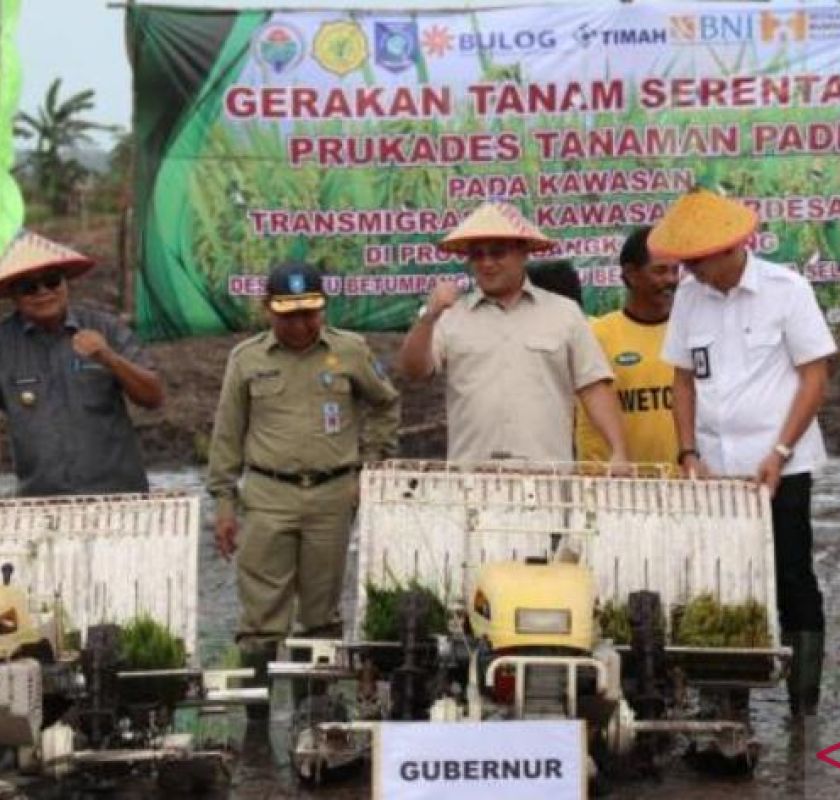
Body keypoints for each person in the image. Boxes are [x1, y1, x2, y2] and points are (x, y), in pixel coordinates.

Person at [652, 188, 836, 716]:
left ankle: (804, 703)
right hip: (715, 469)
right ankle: (725, 701)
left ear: (732, 248)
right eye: (684, 262)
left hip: (782, 465)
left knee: (792, 575)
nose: (690, 271)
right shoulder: (689, 297)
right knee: (719, 578)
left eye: (697, 260)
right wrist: (688, 452)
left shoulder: (787, 289)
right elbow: (682, 381)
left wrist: (779, 451)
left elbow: (814, 377)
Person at [207, 262, 400, 673]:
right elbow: (227, 434)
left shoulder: (349, 350)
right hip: (267, 495)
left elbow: (385, 403)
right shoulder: (246, 359)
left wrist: (371, 465)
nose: (300, 325)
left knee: (321, 613)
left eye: (309, 313)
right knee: (261, 615)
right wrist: (224, 503)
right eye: (288, 314)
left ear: (324, 309)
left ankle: (314, 716)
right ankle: (257, 724)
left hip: (332, 496)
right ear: (267, 310)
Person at [397, 202, 629, 466]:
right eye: (478, 255)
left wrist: (619, 450)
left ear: (523, 253)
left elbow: (593, 386)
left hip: (547, 478)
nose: (487, 263)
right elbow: (414, 372)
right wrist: (428, 316)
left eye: (497, 253)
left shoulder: (565, 313)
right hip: (470, 482)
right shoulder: (450, 317)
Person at [0, 230, 163, 496]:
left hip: (119, 495)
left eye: (52, 281)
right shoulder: (3, 344)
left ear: (66, 284)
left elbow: (153, 397)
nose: (43, 292)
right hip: (40, 501)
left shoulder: (106, 327)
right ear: (14, 297)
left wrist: (108, 358)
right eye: (29, 287)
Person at [575, 227, 680, 469]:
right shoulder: (595, 335)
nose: (671, 280)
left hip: (681, 485)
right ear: (631, 274)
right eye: (660, 271)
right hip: (614, 486)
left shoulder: (691, 332)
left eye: (675, 271)